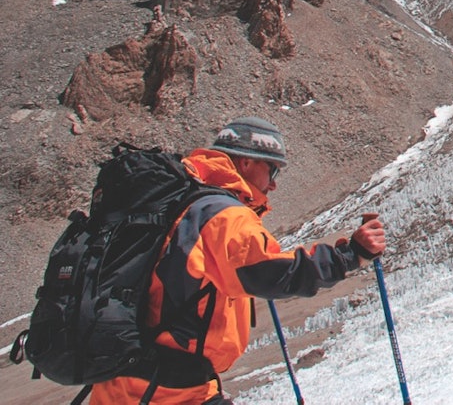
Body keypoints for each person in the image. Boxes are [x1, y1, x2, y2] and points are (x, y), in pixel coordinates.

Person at [89, 116, 387, 404]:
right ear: (246, 162)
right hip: (172, 389)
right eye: (273, 171)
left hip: (120, 381)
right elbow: (274, 274)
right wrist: (351, 255)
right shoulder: (223, 215)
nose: (273, 185)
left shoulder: (180, 202)